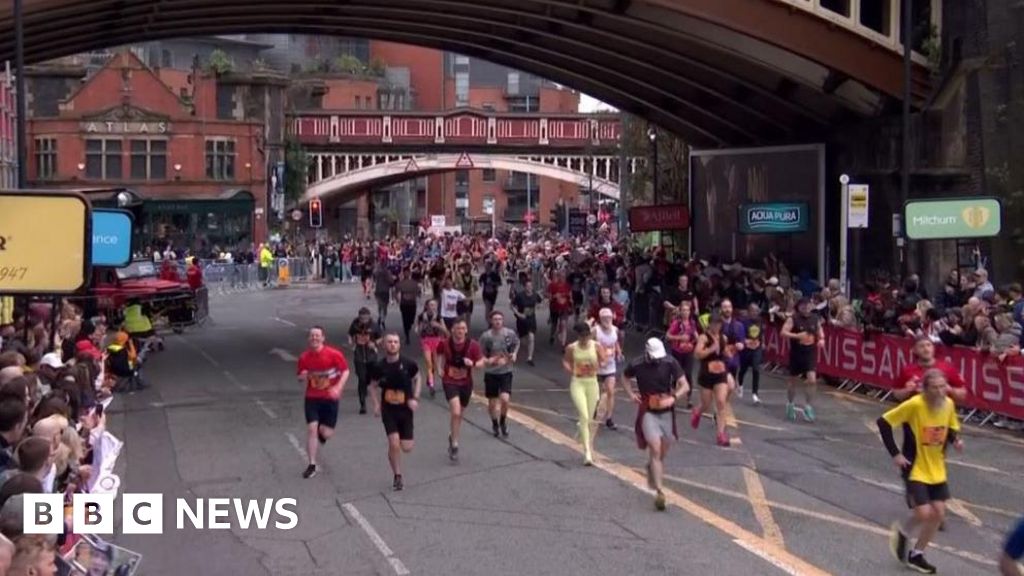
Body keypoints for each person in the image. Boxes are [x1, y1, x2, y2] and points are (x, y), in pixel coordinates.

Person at [878, 369, 962, 575]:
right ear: (924, 389)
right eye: (935, 387)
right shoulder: (915, 404)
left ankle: (917, 554)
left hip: (937, 468)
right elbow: (883, 423)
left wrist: (955, 440)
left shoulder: (948, 404)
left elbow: (949, 426)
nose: (940, 391)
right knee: (924, 513)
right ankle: (904, 534)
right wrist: (895, 454)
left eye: (943, 387)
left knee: (939, 514)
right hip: (915, 467)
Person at [622, 338, 689, 511]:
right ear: (647, 354)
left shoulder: (670, 361)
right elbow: (624, 376)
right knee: (656, 448)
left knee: (663, 451)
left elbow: (685, 385)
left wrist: (673, 398)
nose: (657, 360)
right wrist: (630, 393)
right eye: (654, 357)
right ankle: (660, 491)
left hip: (666, 410)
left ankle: (653, 465)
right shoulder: (637, 364)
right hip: (647, 410)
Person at [368, 333, 421, 491]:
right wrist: (376, 404)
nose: (392, 344)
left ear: (399, 345)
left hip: (405, 410)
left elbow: (418, 378)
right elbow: (372, 386)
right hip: (388, 409)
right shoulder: (379, 366)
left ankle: (393, 453)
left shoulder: (409, 363)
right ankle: (397, 475)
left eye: (395, 342)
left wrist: (415, 398)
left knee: (407, 447)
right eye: (389, 342)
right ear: (384, 345)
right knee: (394, 443)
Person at [296, 326, 350, 479]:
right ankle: (312, 464)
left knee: (326, 433)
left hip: (330, 399)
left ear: (323, 338)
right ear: (309, 339)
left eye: (317, 335)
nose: (314, 338)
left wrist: (338, 388)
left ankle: (322, 432)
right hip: (312, 398)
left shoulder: (334, 355)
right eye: (312, 335)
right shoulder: (304, 357)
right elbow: (300, 376)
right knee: (312, 429)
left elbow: (345, 371)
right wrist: (303, 376)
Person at [436, 319, 484, 461]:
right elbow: (438, 353)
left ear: (466, 330)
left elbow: (481, 363)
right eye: (458, 328)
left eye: (463, 328)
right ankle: (455, 445)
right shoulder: (445, 343)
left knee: (459, 414)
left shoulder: (473, 345)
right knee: (455, 411)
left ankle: (453, 435)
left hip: (466, 383)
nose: (460, 331)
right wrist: (439, 367)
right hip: (449, 381)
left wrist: (473, 363)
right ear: (452, 330)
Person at [563, 322, 606, 466]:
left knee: (589, 418)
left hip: (592, 382)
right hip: (578, 383)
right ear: (578, 336)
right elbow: (566, 362)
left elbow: (604, 360)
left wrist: (597, 366)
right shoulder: (572, 347)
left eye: (586, 336)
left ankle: (581, 427)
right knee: (584, 415)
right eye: (582, 337)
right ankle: (587, 452)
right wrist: (572, 370)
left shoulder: (596, 346)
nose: (584, 339)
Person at [691, 314, 735, 447]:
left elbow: (726, 352)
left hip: (720, 373)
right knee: (706, 403)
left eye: (719, 324)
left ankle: (721, 434)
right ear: (709, 324)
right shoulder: (704, 338)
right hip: (707, 374)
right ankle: (698, 411)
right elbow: (697, 354)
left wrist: (731, 351)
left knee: (721, 402)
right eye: (714, 324)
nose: (717, 326)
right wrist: (710, 349)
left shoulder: (723, 338)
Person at [780, 297, 825, 422]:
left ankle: (808, 406)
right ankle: (790, 403)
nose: (806, 308)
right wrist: (796, 336)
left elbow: (820, 333)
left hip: (810, 351)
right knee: (792, 381)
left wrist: (821, 340)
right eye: (803, 305)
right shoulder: (793, 319)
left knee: (812, 380)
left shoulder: (815, 319)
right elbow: (783, 332)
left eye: (808, 305)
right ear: (799, 307)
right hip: (796, 352)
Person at [479, 311, 520, 438]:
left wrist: (514, 354)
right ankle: (495, 423)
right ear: (491, 321)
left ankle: (502, 421)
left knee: (505, 399)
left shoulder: (509, 333)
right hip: (491, 373)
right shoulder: (486, 336)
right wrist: (488, 360)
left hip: (506, 371)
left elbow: (516, 344)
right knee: (492, 403)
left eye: (500, 319)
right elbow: (480, 353)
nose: (497, 321)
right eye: (495, 319)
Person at [892, 337, 968, 403]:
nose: (926, 349)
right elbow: (896, 395)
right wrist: (907, 390)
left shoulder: (948, 368)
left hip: (940, 413)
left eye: (929, 345)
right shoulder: (907, 370)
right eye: (921, 346)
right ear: (914, 350)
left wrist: (949, 389)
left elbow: (963, 395)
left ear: (933, 348)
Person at [664, 302, 698, 408]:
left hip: (688, 351)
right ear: (680, 311)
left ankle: (689, 398)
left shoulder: (692, 323)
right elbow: (668, 336)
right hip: (677, 351)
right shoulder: (676, 323)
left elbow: (695, 335)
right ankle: (672, 396)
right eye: (683, 310)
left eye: (687, 310)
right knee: (676, 374)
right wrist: (679, 338)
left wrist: (695, 342)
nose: (685, 312)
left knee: (688, 373)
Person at [593, 308, 623, 430]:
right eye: (604, 318)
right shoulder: (595, 331)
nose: (607, 320)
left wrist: (619, 352)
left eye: (609, 318)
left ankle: (609, 419)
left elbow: (615, 342)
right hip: (597, 367)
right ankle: (594, 409)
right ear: (600, 319)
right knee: (597, 393)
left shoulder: (615, 329)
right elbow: (587, 343)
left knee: (610, 391)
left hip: (610, 366)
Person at [347, 308, 381, 415]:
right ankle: (362, 405)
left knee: (369, 378)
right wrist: (351, 342)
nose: (364, 320)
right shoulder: (355, 324)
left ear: (369, 316)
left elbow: (380, 338)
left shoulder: (374, 325)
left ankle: (367, 383)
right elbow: (349, 334)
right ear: (359, 317)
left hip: (371, 355)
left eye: (366, 318)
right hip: (359, 355)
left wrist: (374, 343)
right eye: (362, 318)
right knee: (361, 378)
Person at [416, 299, 447, 398]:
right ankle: (431, 386)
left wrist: (438, 325)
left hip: (437, 341)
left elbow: (445, 330)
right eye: (431, 305)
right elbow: (417, 329)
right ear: (427, 306)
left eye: (434, 305)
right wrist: (420, 328)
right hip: (426, 341)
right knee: (429, 364)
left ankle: (446, 382)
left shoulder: (439, 317)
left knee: (438, 367)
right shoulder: (421, 316)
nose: (433, 307)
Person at [511, 279, 543, 366]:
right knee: (522, 339)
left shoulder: (535, 295)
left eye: (530, 286)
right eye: (527, 286)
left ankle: (530, 357)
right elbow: (512, 305)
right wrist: (518, 313)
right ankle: (516, 350)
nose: (529, 288)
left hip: (531, 319)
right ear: (524, 287)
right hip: (521, 319)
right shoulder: (520, 296)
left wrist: (538, 306)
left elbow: (541, 302)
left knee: (531, 337)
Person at [739, 303, 764, 405]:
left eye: (756, 311)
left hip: (756, 348)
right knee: (743, 369)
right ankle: (740, 384)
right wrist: (746, 341)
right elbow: (740, 335)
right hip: (746, 348)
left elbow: (761, 333)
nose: (755, 313)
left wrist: (762, 343)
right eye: (753, 311)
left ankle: (755, 394)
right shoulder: (743, 322)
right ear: (749, 312)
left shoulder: (760, 321)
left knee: (756, 369)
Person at [395, 267, 422, 345]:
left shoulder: (414, 283)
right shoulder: (400, 283)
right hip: (404, 304)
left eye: (408, 272)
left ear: (410, 273)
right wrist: (397, 300)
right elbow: (396, 292)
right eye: (405, 272)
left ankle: (409, 326)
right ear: (403, 273)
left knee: (411, 319)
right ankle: (407, 335)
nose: (406, 274)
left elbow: (418, 292)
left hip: (412, 303)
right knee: (405, 319)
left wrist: (418, 294)